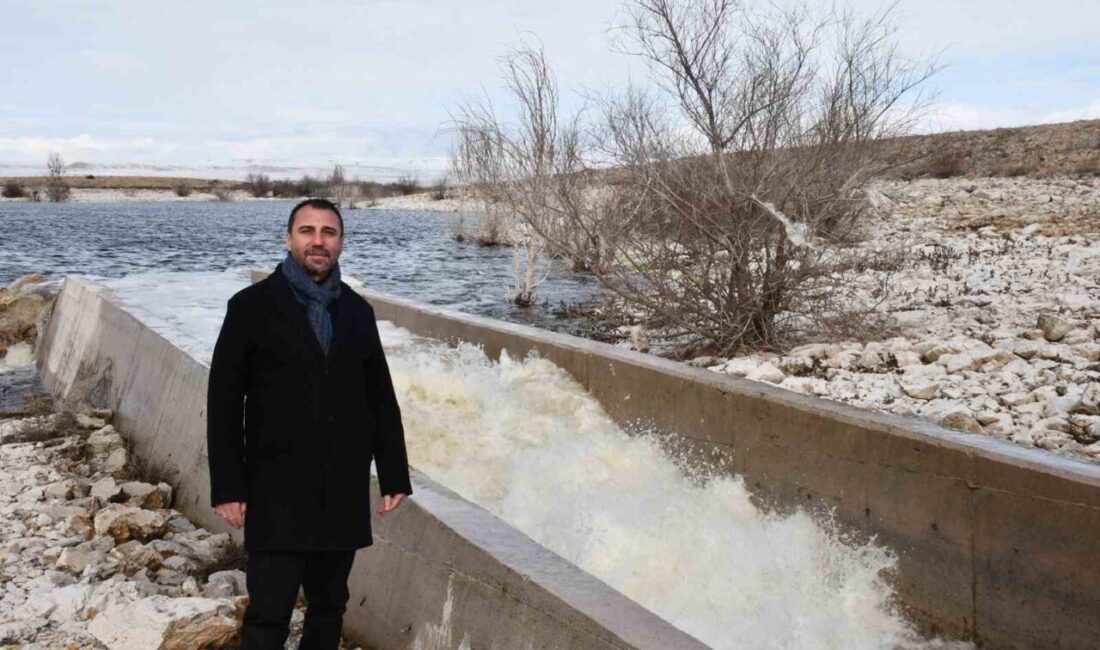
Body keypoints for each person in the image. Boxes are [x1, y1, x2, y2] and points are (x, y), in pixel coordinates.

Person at [206, 198, 412, 650]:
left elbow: (379, 394)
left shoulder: (357, 311)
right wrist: (228, 486)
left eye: (328, 232)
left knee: (329, 606)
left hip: (341, 485)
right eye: (307, 230)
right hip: (274, 487)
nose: (318, 241)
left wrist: (394, 471)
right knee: (269, 611)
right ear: (289, 238)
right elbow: (223, 402)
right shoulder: (250, 306)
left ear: (340, 243)